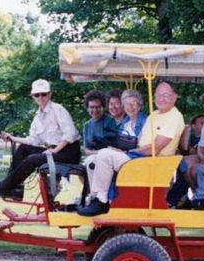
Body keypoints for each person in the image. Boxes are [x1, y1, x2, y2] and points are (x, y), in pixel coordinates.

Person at [78, 81, 185, 217]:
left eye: (165, 95)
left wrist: (126, 152)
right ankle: (95, 197)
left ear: (174, 97)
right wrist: (121, 149)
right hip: (140, 159)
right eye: (158, 95)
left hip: (150, 163)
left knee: (104, 155)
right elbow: (139, 140)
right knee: (93, 158)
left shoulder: (174, 117)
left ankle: (102, 201)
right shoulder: (155, 114)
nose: (160, 99)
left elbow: (154, 148)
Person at [0, 79, 81, 200]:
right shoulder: (38, 116)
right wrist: (12, 138)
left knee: (32, 159)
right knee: (23, 149)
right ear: (33, 96)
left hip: (69, 153)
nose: (40, 97)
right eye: (37, 95)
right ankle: (16, 190)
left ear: (50, 94)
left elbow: (69, 133)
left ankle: (4, 186)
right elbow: (33, 140)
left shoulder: (58, 109)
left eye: (44, 94)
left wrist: (55, 151)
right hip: (54, 151)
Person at [82, 90, 120, 156]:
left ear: (103, 107)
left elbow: (113, 147)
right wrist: (98, 152)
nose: (95, 110)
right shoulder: (86, 126)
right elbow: (86, 150)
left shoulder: (111, 121)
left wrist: (95, 152)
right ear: (87, 108)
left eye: (98, 107)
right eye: (91, 107)